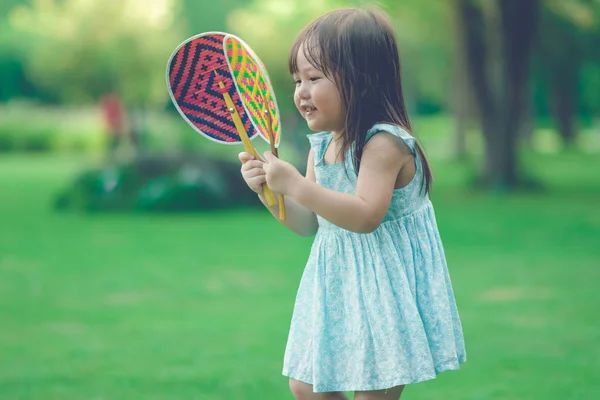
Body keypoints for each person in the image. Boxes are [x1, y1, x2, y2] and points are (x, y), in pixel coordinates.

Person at [239, 7, 466, 400]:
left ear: (361, 81)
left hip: (386, 290)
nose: (301, 92)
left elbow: (365, 216)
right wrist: (268, 192)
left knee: (371, 394)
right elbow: (309, 222)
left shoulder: (384, 144)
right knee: (306, 386)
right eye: (297, 80)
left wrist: (294, 183)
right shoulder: (323, 144)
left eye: (314, 77)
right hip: (338, 285)